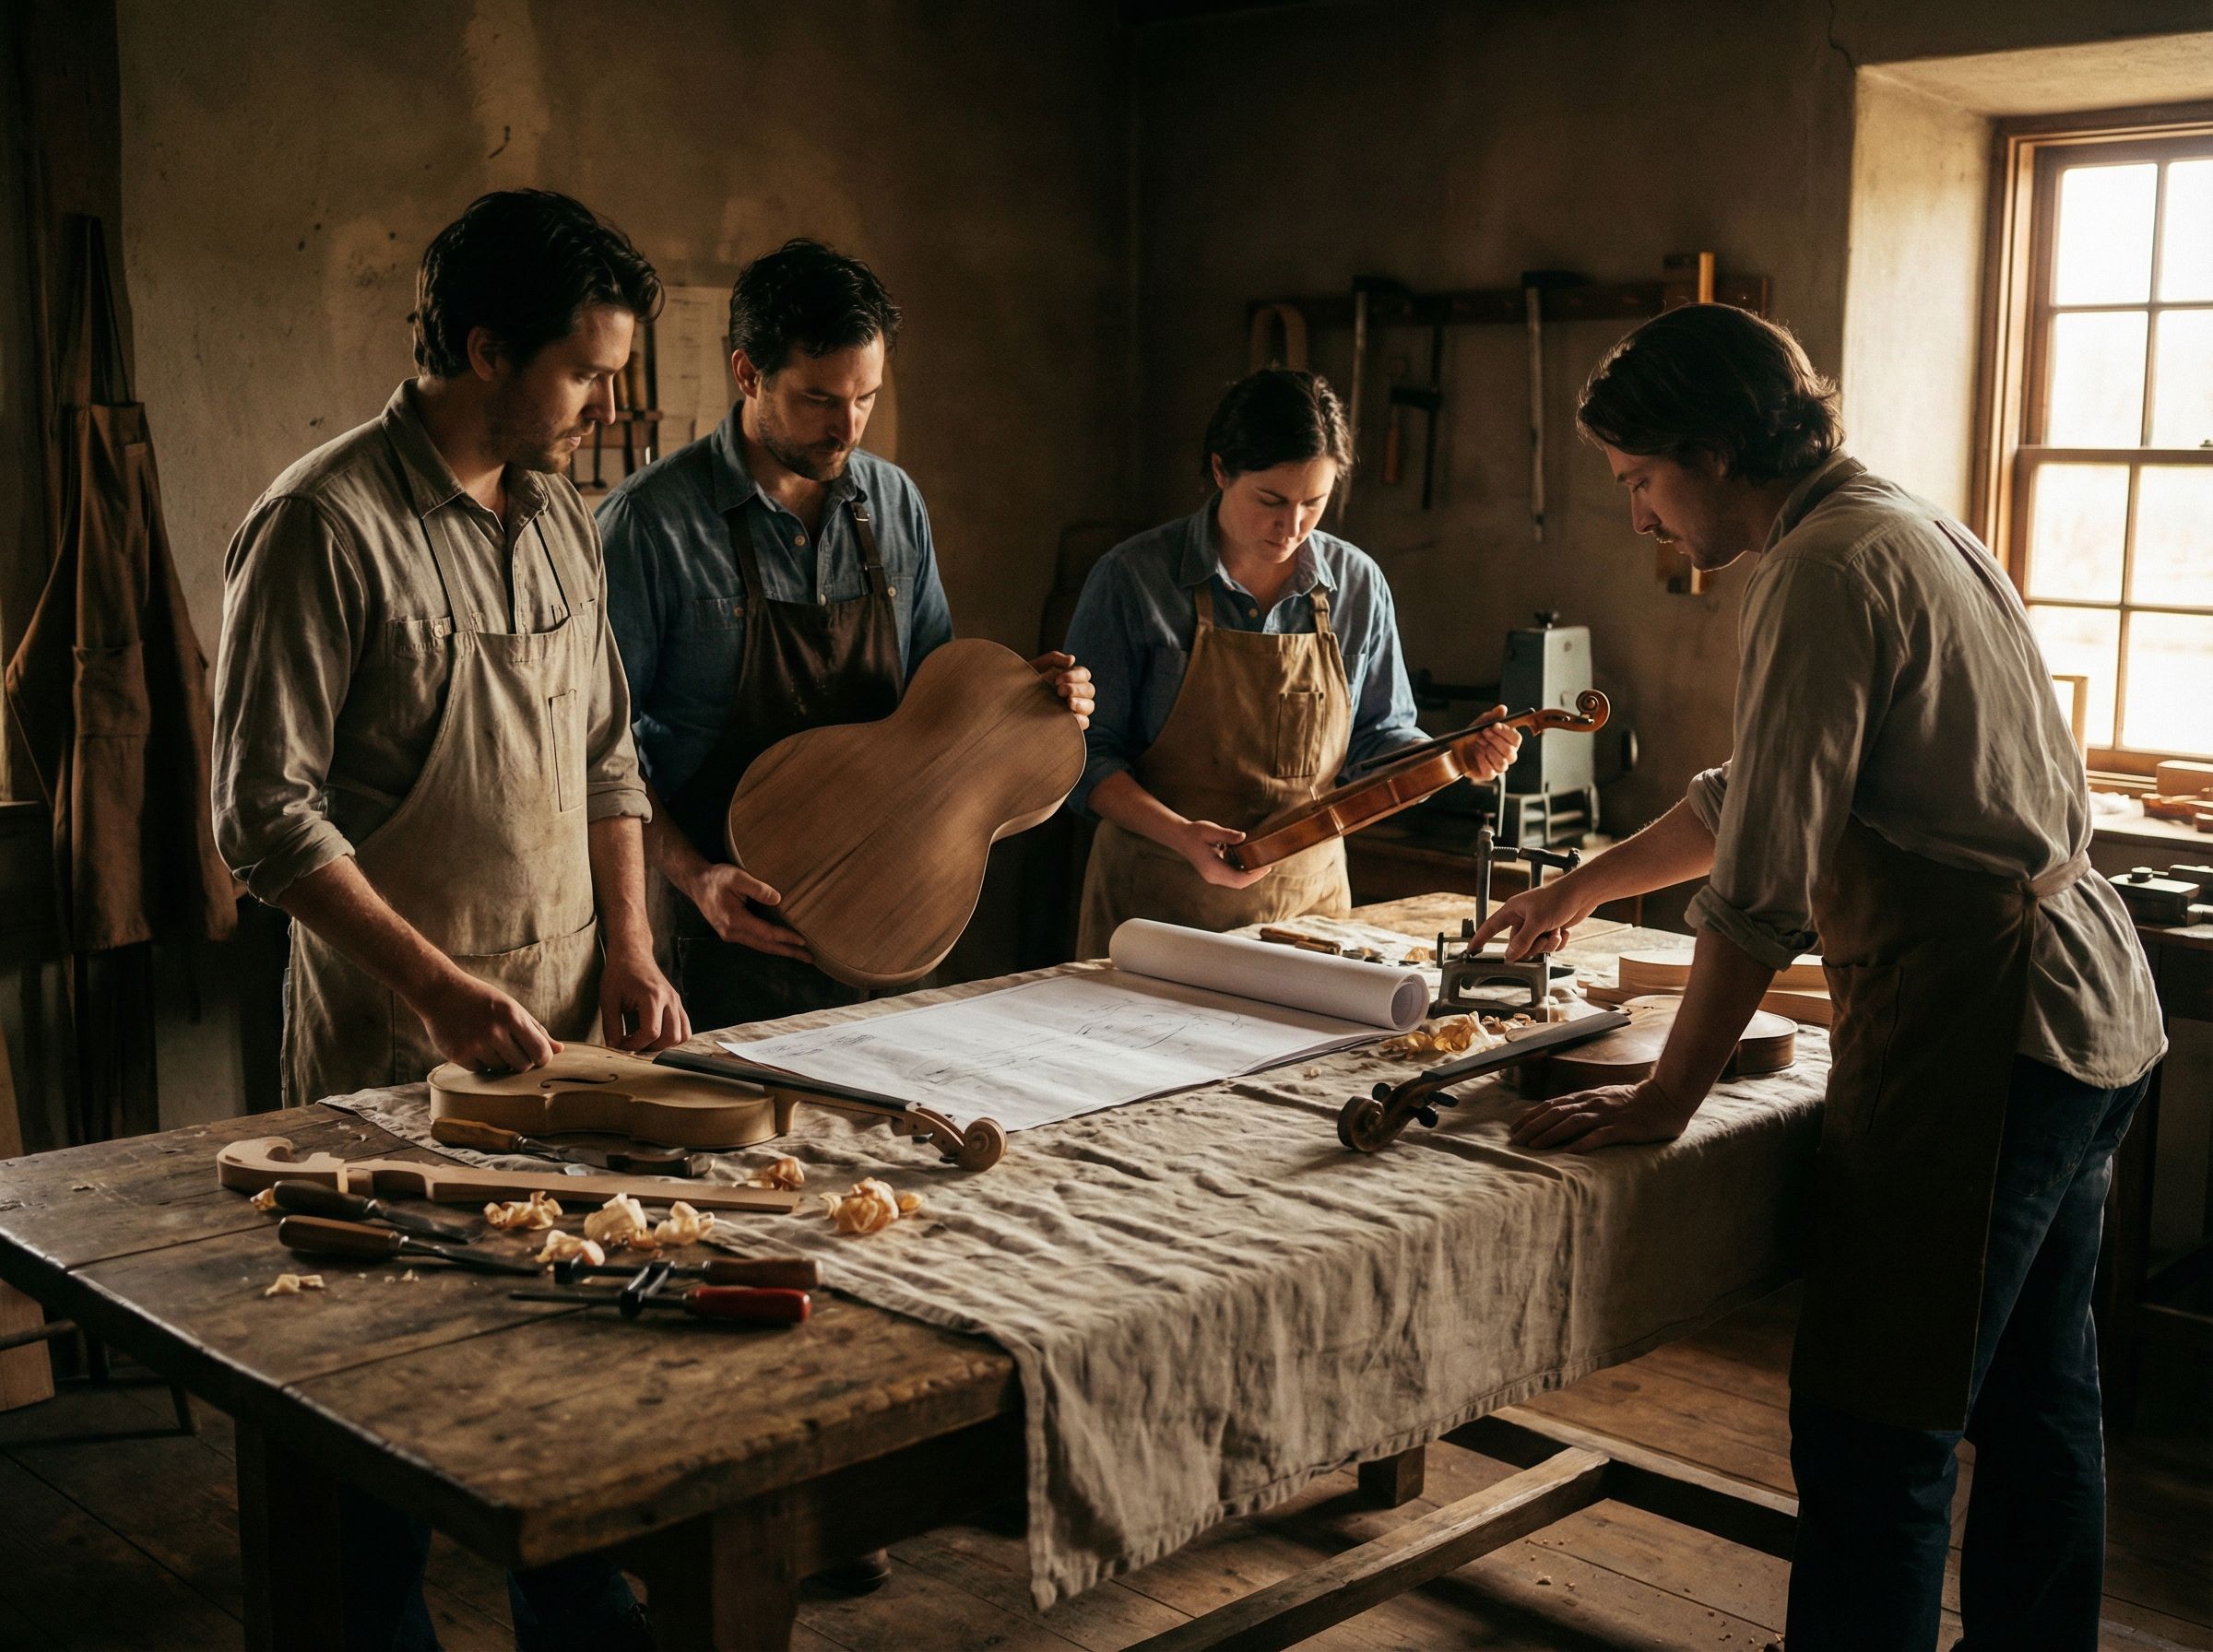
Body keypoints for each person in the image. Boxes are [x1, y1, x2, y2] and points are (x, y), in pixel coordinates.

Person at [1473, 303, 2164, 1651]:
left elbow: (1765, 886)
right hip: (2090, 1013)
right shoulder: (1896, 523)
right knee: (2036, 1403)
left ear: (1717, 451)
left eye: (1642, 483)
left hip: (1994, 1032)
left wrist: (1667, 1097)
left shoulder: (1821, 570)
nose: (1640, 520)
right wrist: (1582, 884)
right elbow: (1752, 795)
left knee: (1878, 1427)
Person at [213, 188, 680, 1652]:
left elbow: (609, 751)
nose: (603, 407)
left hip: (556, 1050)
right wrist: (435, 992)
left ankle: (579, 1613)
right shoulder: (321, 523)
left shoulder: (561, 522)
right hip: (382, 1051)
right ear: (485, 347)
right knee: (386, 1397)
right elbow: (264, 820)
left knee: (569, 1385)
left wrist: (636, 951)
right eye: (585, 372)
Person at [601, 238, 1092, 1029]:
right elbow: (600, 753)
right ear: (747, 374)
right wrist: (694, 878)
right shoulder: (649, 525)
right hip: (726, 929)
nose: (848, 426)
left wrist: (1029, 702)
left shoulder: (895, 503)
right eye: (821, 399)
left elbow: (938, 706)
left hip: (895, 919)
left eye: (865, 397)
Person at [1063, 367, 1516, 956]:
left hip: (1310, 920)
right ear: (1222, 470)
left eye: (1314, 503)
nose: (1292, 526)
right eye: (1271, 500)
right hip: (1157, 907)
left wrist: (1452, 755)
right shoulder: (1133, 580)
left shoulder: (1357, 585)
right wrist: (1183, 837)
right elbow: (1085, 758)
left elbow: (1378, 739)